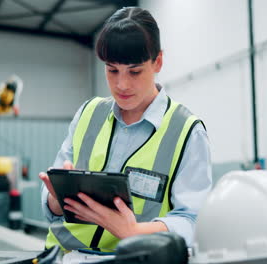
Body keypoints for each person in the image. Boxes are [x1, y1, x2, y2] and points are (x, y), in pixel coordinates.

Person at [39, 6, 212, 251]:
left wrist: (135, 232)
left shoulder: (187, 132)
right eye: (112, 70)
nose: (121, 84)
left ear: (158, 62)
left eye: (134, 71)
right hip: (63, 257)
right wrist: (56, 200)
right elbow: (50, 207)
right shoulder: (88, 114)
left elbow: (194, 221)